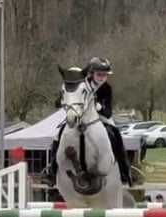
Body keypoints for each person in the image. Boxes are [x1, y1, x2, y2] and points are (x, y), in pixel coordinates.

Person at [47, 57, 132, 187]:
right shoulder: (81, 84)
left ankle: (124, 172)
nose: (102, 78)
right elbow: (62, 100)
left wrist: (98, 106)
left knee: (116, 135)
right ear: (91, 74)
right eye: (99, 75)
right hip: (79, 117)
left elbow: (108, 113)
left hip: (100, 118)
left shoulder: (106, 88)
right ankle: (51, 173)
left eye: (104, 75)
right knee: (57, 136)